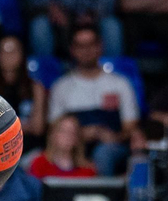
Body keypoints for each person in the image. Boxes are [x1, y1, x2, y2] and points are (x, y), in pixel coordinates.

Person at [47, 24, 139, 175]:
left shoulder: (120, 84)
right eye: (80, 46)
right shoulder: (61, 87)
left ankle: (103, 191)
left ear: (100, 46)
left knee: (103, 153)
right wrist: (82, 134)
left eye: (91, 44)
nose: (86, 50)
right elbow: (53, 129)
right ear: (72, 50)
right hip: (72, 147)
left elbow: (130, 127)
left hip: (112, 147)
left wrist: (112, 137)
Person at [0, 34, 46, 139]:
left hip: (27, 144)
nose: (8, 56)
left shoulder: (35, 87)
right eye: (4, 51)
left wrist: (1, 126)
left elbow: (38, 128)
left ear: (22, 54)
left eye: (13, 51)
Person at [29, 114, 94, 178]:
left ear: (78, 138)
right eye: (63, 131)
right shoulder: (40, 164)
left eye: (72, 132)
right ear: (53, 135)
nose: (67, 136)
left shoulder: (87, 170)